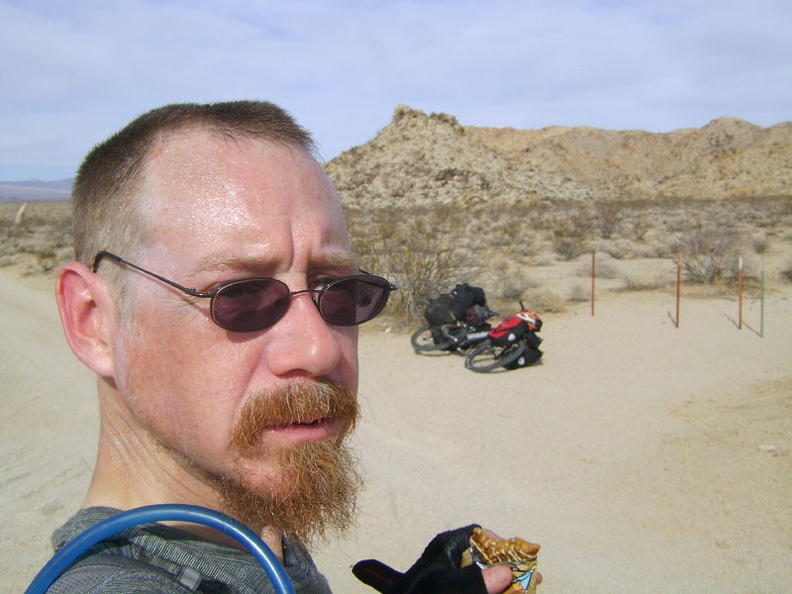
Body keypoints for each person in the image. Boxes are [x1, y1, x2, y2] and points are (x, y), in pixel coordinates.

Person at [42, 101, 520, 593]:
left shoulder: (253, 534)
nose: (319, 350)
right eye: (241, 295)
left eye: (337, 289)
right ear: (93, 322)